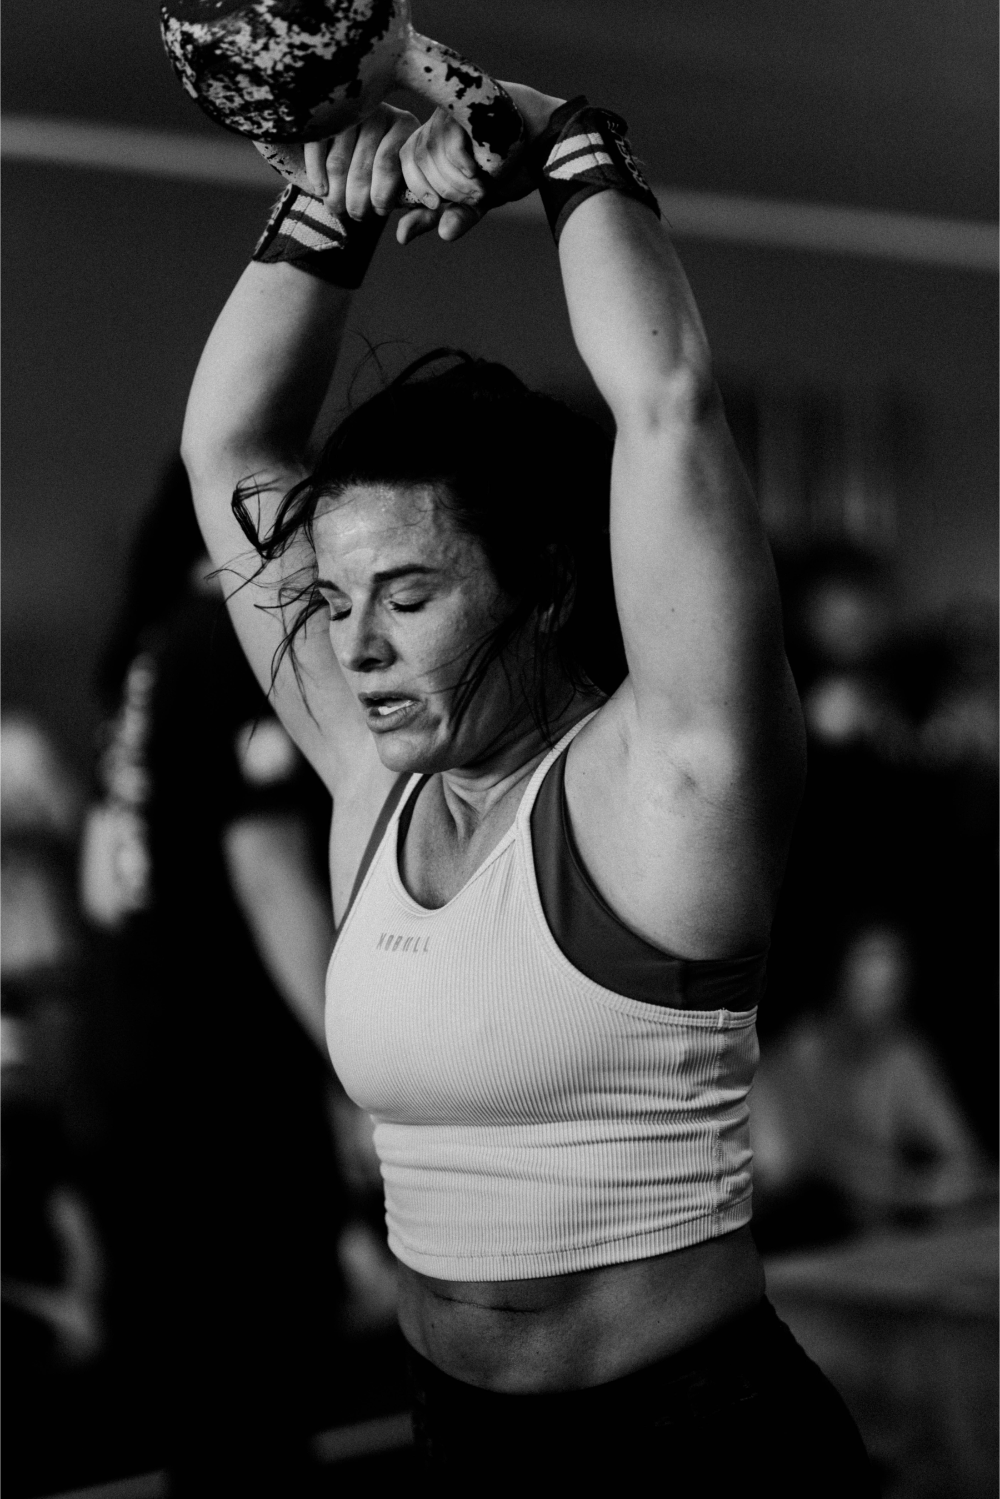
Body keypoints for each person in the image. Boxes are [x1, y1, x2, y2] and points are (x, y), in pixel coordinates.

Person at [180, 84, 875, 1492]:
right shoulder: (371, 770)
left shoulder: (669, 776)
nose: (353, 645)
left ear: (547, 589)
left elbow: (666, 405)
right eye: (335, 597)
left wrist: (561, 140)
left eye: (412, 593)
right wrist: (335, 197)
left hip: (692, 1448)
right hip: (460, 1436)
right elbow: (229, 450)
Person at [79, 463, 384, 1497]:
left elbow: (105, 876)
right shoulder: (231, 642)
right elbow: (268, 878)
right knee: (256, 1398)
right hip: (221, 1079)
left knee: (204, 1412)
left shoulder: (146, 646)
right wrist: (363, 1060)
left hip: (137, 1065)